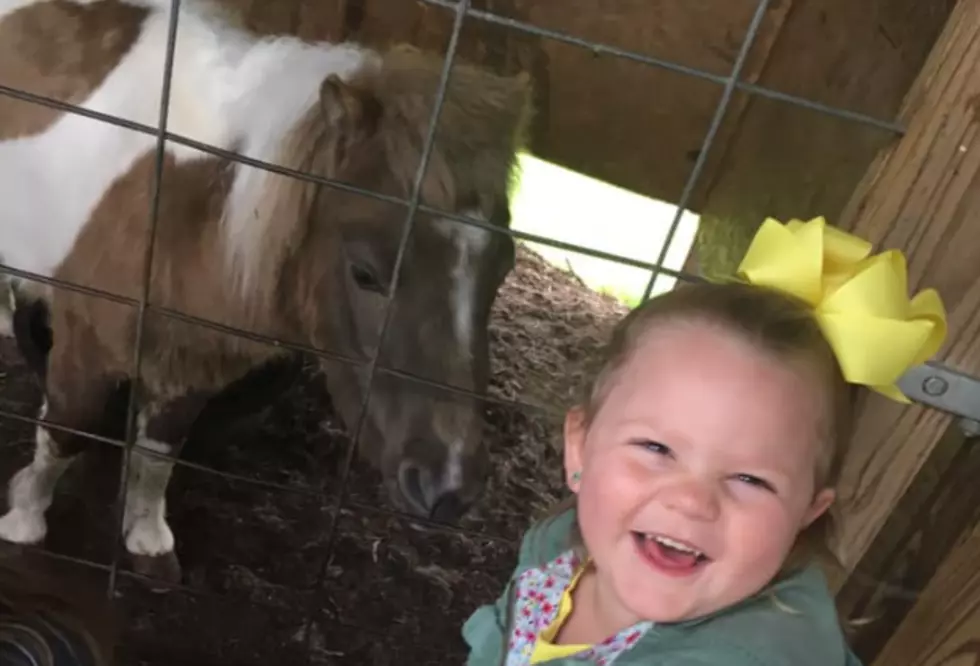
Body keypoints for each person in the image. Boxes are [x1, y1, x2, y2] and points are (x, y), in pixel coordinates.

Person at [461, 216, 947, 666]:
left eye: (750, 479)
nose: (691, 501)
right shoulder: (560, 548)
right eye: (656, 449)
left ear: (809, 511)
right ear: (580, 447)